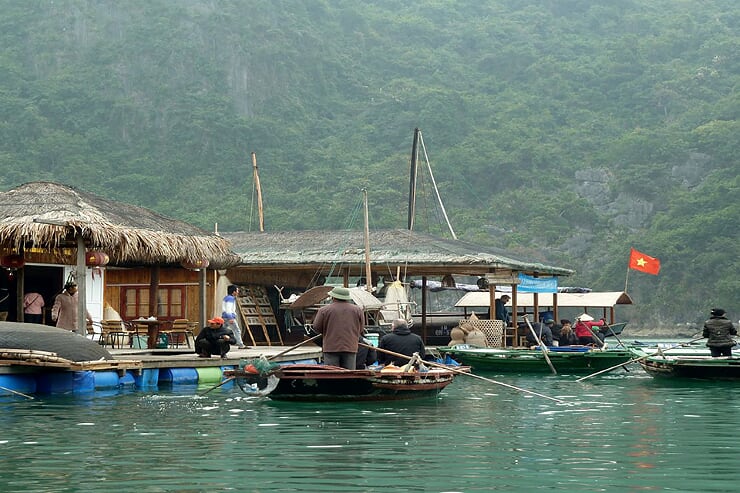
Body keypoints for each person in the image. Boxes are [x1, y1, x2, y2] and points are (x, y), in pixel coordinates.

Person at [311, 286, 365, 370]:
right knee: (349, 374)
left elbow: (316, 327)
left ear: (333, 297)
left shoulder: (324, 310)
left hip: (331, 347)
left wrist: (327, 331)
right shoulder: (358, 310)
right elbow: (360, 329)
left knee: (332, 374)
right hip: (350, 347)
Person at [222, 284, 246, 349]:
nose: (238, 292)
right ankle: (240, 344)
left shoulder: (226, 298)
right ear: (234, 292)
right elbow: (228, 309)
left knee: (222, 330)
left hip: (224, 317)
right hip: (229, 317)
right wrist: (230, 318)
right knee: (237, 330)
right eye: (237, 290)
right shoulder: (231, 298)